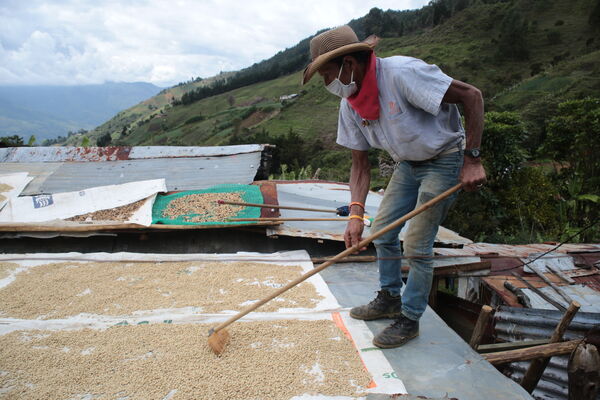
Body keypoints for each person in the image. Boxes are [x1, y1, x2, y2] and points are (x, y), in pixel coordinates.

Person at [302, 25, 486, 348]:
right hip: (408, 164)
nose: (327, 84)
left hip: (444, 158)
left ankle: (410, 318)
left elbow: (472, 96)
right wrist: (355, 216)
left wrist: (472, 159)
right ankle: (389, 297)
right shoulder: (350, 105)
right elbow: (360, 166)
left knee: (416, 243)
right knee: (382, 231)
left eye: (327, 74)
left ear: (349, 64)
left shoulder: (402, 74)